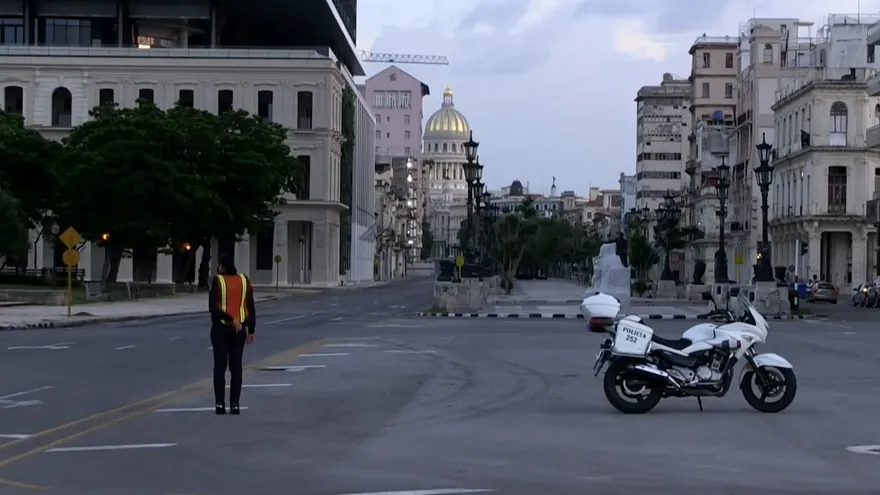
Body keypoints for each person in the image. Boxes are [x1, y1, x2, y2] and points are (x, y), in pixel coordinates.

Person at [208, 254, 256, 415]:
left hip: (220, 328)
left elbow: (213, 308)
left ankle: (219, 404)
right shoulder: (244, 280)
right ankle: (235, 405)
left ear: (222, 267)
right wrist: (251, 330)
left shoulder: (218, 281)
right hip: (240, 330)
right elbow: (251, 307)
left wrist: (229, 318)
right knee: (236, 367)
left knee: (220, 366)